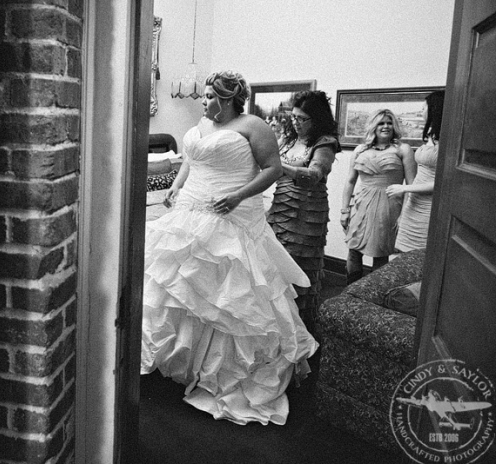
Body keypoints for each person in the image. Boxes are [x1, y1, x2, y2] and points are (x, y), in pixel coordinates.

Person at [141, 70, 318, 426]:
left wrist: (237, 196)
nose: (203, 102)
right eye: (204, 96)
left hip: (230, 213)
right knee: (177, 283)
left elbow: (272, 168)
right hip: (190, 209)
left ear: (226, 98)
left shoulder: (253, 125)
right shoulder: (201, 125)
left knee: (227, 292)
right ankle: (178, 362)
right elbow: (191, 159)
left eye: (208, 96)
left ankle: (222, 372)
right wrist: (176, 185)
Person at [266, 91, 341, 333]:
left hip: (307, 211)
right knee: (275, 262)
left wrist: (277, 166)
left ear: (317, 119)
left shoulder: (325, 143)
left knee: (300, 264)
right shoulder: (287, 140)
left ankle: (300, 330)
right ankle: (277, 323)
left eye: (302, 119)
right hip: (281, 206)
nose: (296, 123)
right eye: (294, 117)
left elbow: (312, 176)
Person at [340, 109, 416, 284]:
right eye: (381, 123)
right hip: (361, 204)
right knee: (353, 249)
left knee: (380, 253)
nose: (386, 126)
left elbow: (412, 187)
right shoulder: (360, 149)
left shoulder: (402, 149)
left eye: (389, 123)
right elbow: (350, 181)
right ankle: (351, 291)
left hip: (388, 205)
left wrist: (405, 216)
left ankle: (375, 294)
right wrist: (344, 210)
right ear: (373, 126)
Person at [386, 90, 445, 252]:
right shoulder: (431, 137)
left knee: (419, 254)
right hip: (414, 202)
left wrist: (405, 188)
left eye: (424, 108)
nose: (421, 112)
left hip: (429, 206)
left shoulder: (448, 140)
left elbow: (443, 181)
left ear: (435, 109)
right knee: (402, 250)